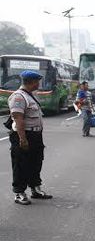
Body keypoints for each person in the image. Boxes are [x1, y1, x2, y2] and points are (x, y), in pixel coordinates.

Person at [8, 70, 53, 205]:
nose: (38, 83)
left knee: (36, 161)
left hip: (35, 135)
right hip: (23, 135)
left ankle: (35, 189)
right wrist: (23, 139)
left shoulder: (31, 96)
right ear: (31, 82)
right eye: (37, 81)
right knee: (21, 164)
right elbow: (18, 119)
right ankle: (19, 193)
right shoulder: (18, 97)